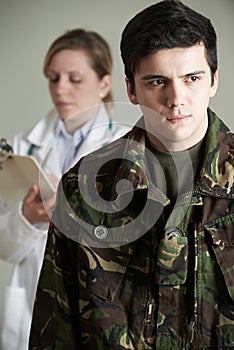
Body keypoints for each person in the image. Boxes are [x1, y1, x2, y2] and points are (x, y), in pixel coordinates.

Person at [29, 1, 234, 349]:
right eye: (157, 81)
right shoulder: (84, 188)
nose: (176, 99)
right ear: (131, 89)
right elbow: (54, 334)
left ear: (214, 80)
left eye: (192, 78)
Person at [0, 28, 129, 350]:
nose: (60, 90)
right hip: (33, 300)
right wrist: (28, 217)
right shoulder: (21, 145)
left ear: (103, 84)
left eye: (75, 79)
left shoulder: (128, 147)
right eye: (53, 78)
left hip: (101, 303)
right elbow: (4, 247)